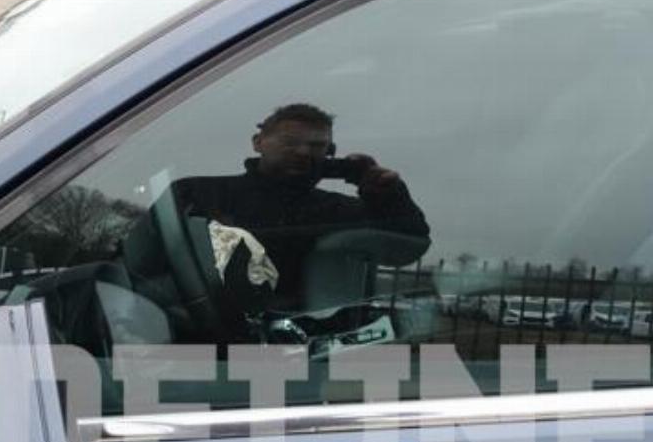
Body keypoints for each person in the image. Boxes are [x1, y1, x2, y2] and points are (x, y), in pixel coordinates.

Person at [129, 103, 430, 325]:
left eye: (316, 146)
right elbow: (136, 268)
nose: (303, 152)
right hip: (192, 341)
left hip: (306, 350)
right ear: (258, 142)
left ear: (330, 151)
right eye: (290, 142)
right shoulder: (196, 193)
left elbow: (410, 244)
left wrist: (386, 192)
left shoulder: (339, 210)